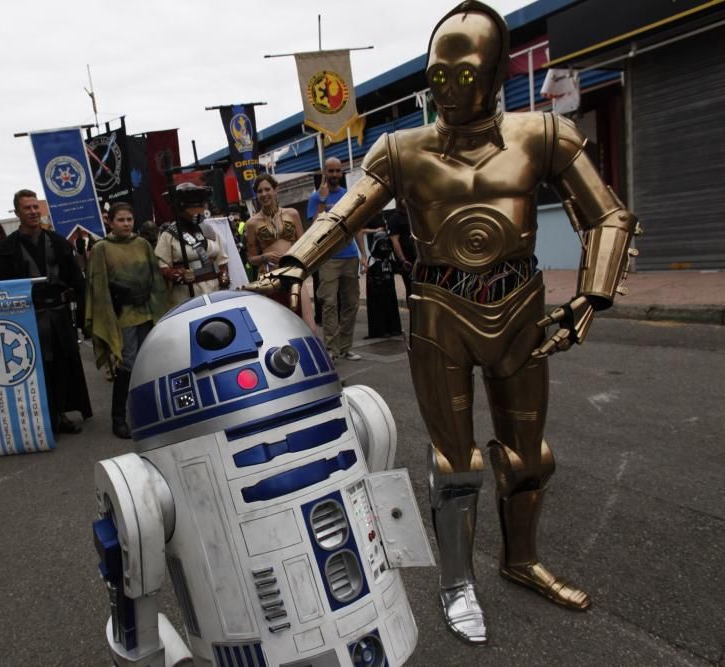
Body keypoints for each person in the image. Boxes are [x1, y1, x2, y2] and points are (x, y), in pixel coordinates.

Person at [246, 0, 639, 645]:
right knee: (456, 462)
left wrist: (591, 297)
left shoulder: (543, 135)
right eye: (438, 76)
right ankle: (457, 582)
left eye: (465, 75)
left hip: (518, 303)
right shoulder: (401, 149)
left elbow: (607, 216)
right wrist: (294, 261)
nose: (449, 90)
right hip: (439, 310)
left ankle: (521, 559)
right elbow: (348, 210)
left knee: (528, 455)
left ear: (491, 74)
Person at [0, 189, 93, 436]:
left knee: (62, 365)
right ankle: (41, 418)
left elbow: (77, 282)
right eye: (27, 208)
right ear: (17, 213)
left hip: (58, 314)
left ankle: (61, 413)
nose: (33, 212)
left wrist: (83, 318)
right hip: (26, 318)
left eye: (36, 207)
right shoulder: (5, 250)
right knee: (34, 369)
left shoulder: (58, 242)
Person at [86, 203, 169, 439]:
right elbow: (98, 287)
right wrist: (111, 311)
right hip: (123, 314)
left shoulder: (142, 244)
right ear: (110, 222)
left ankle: (150, 413)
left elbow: (155, 277)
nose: (126, 224)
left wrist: (155, 305)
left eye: (129, 219)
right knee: (129, 363)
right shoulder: (101, 248)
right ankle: (118, 418)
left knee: (149, 362)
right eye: (121, 220)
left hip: (147, 309)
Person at [307, 157, 367, 361]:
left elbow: (356, 225)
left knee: (351, 303)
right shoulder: (315, 198)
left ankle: (345, 347)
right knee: (330, 303)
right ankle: (331, 349)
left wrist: (363, 255)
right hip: (329, 259)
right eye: (330, 171)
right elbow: (316, 228)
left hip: (350, 256)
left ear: (341, 173)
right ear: (324, 173)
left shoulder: (347, 195)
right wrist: (323, 200)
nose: (334, 175)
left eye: (337, 171)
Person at [244, 174, 317, 331]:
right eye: (259, 191)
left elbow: (303, 244)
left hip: (294, 276)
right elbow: (251, 259)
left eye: (267, 189)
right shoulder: (252, 223)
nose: (264, 194)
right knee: (280, 327)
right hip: (270, 280)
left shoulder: (292, 214)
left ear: (275, 190)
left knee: (308, 324)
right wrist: (265, 257)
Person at [155, 182, 230, 306]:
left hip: (215, 290)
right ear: (180, 208)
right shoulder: (168, 234)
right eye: (191, 206)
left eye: (198, 205)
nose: (196, 211)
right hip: (186, 293)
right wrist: (178, 275)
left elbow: (222, 260)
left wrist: (224, 275)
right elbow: (162, 267)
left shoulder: (209, 230)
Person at [363, 219, 404, 338]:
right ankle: (380, 329)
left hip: (386, 275)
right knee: (378, 302)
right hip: (377, 275)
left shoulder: (383, 218)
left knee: (390, 300)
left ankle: (392, 327)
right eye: (382, 244)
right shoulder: (374, 259)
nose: (384, 246)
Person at [388, 203, 415, 300]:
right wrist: (402, 260)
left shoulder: (414, 214)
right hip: (408, 260)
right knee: (411, 288)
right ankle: (413, 313)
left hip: (420, 259)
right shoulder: (395, 219)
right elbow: (395, 242)